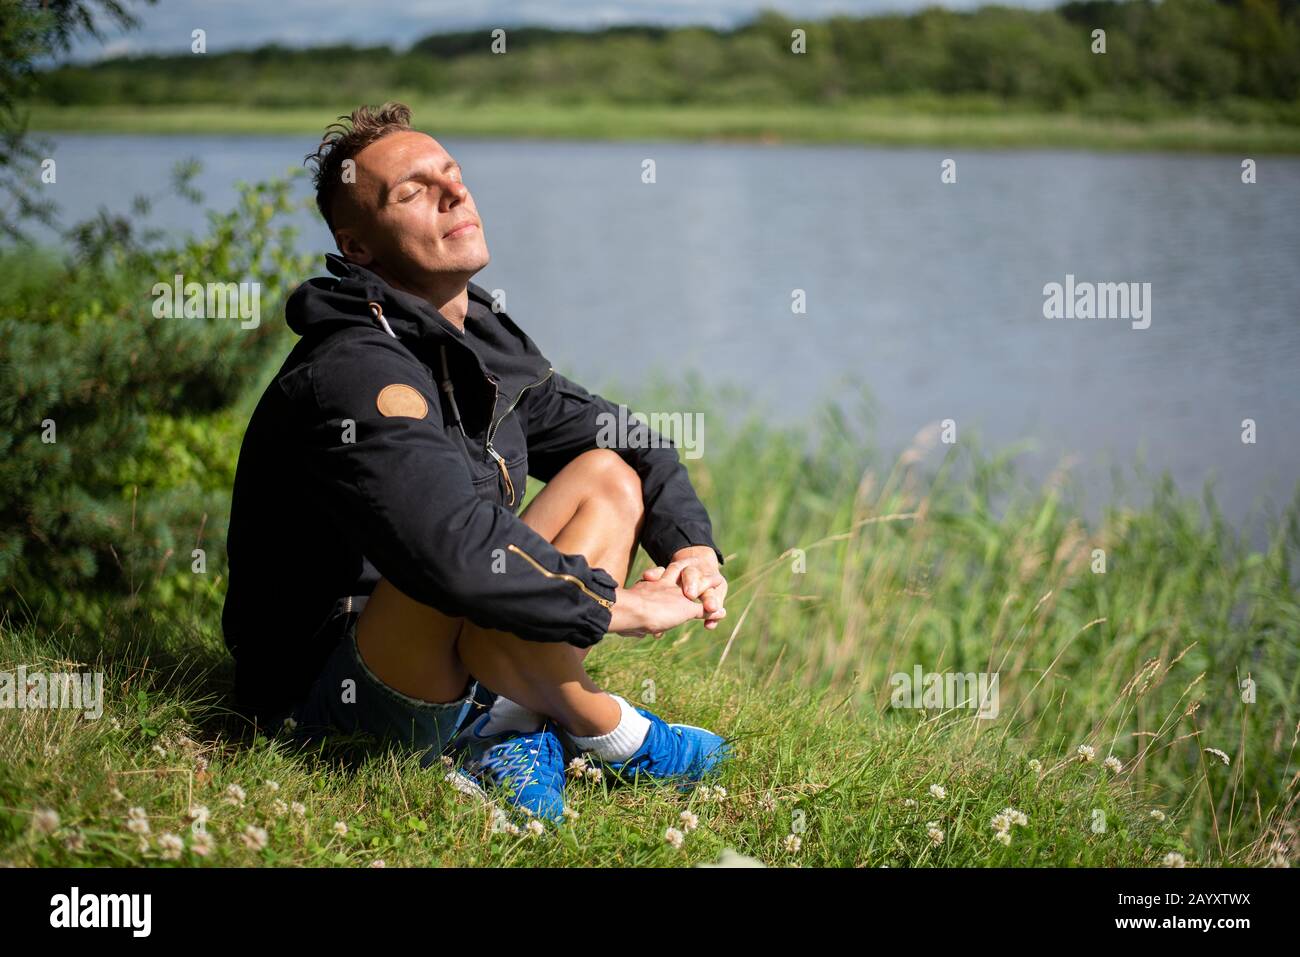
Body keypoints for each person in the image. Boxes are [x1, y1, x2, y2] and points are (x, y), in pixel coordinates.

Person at [221, 102, 731, 821]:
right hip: (330, 694)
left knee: (607, 476)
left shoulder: (480, 346)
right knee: (456, 549)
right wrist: (617, 603)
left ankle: (507, 732)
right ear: (357, 247)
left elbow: (630, 436)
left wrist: (693, 549)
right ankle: (612, 730)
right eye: (412, 192)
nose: (453, 194)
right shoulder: (355, 369)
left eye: (452, 176)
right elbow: (450, 551)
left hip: (451, 649)